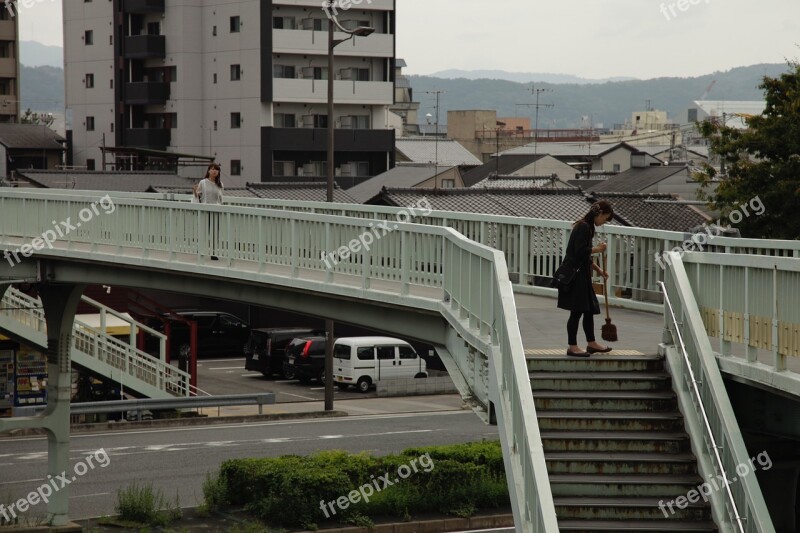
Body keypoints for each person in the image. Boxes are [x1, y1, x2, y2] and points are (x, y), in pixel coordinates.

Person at [557, 200, 614, 357]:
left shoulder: (587, 227)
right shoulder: (583, 227)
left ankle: (591, 343)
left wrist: (599, 270)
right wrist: (599, 249)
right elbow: (580, 251)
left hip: (582, 274)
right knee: (577, 311)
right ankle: (572, 346)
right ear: (600, 214)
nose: (603, 223)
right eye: (605, 218)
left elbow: (585, 257)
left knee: (588, 309)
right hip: (575, 277)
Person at [193, 163, 223, 260]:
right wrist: (194, 191)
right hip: (205, 210)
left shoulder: (220, 184)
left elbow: (220, 198)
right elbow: (197, 195)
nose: (214, 171)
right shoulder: (203, 182)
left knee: (215, 232)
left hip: (216, 210)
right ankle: (200, 249)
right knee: (203, 230)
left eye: (216, 170)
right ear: (209, 171)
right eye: (212, 169)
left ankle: (213, 253)